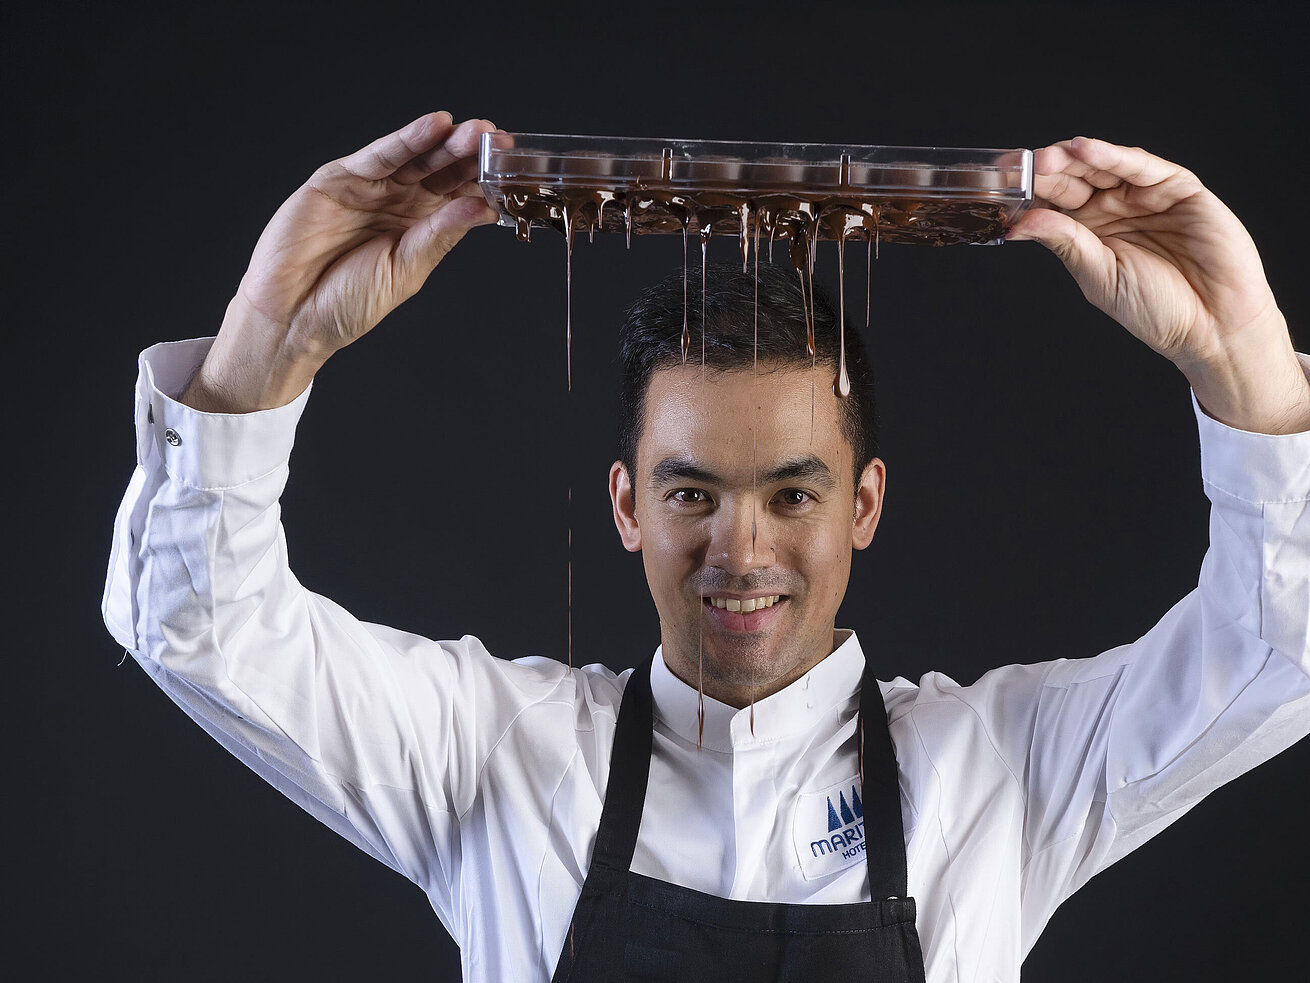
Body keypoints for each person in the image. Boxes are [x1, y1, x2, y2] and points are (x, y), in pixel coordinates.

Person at [102, 111, 1310, 982]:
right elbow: (202, 628)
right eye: (691, 495)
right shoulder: (493, 758)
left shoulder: (999, 770)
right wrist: (265, 342)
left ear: (864, 505)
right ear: (626, 505)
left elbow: (1280, 655)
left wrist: (1243, 362)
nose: (740, 550)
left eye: (793, 495)